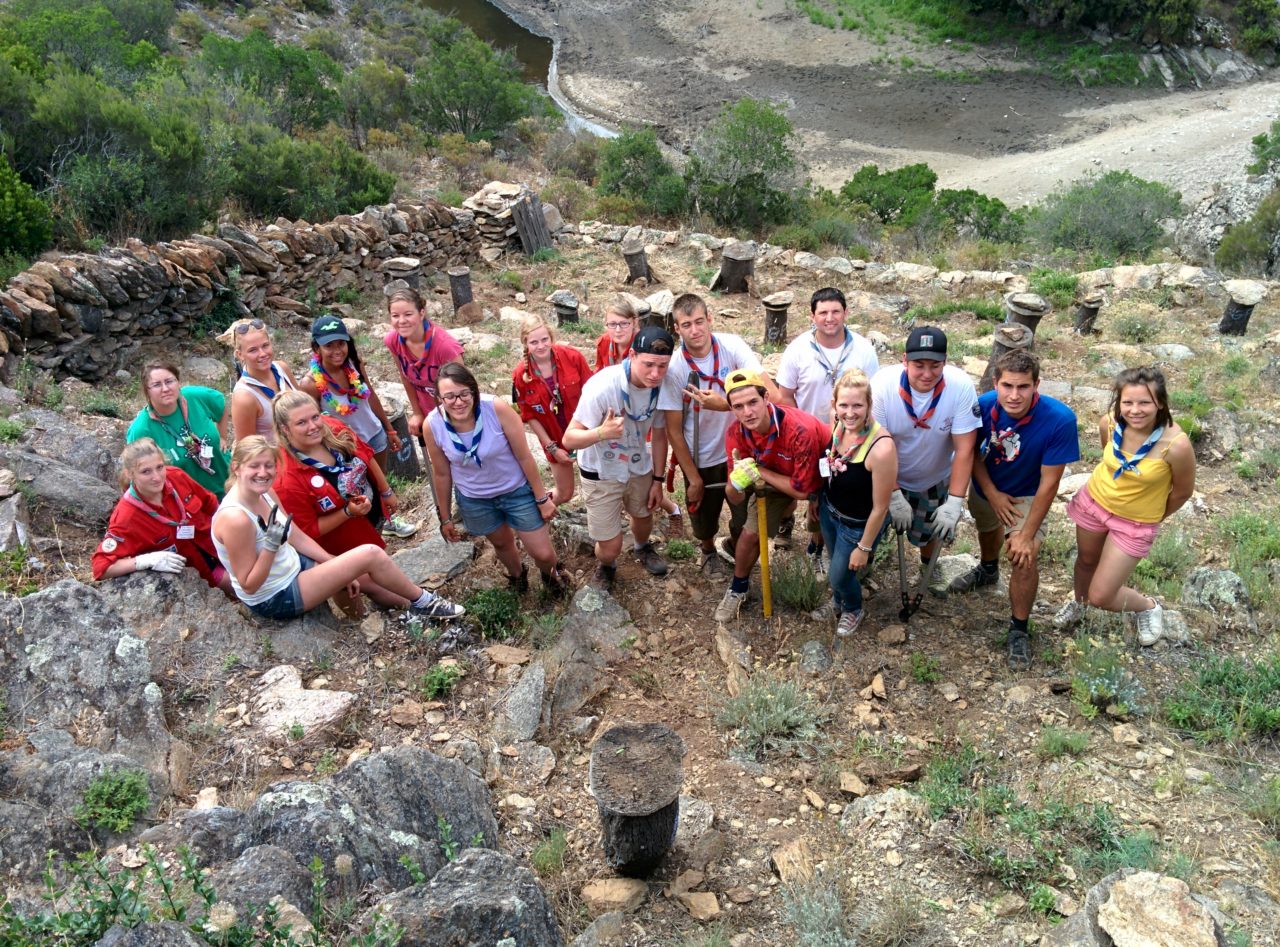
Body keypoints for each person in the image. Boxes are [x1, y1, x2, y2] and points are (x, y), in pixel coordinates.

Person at [212, 437, 464, 621]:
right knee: (370, 555)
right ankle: (424, 602)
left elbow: (296, 535)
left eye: (269, 466)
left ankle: (378, 618)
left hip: (291, 566)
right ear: (236, 467)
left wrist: (331, 562)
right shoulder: (236, 519)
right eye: (254, 466)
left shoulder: (266, 493)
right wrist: (269, 546)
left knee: (357, 578)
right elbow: (248, 585)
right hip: (275, 595)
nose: (263, 473)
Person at [947, 350, 1079, 668]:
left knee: (1023, 556)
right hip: (989, 482)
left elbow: (1050, 483)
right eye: (1007, 385)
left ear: (1037, 384)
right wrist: (991, 494)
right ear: (996, 382)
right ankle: (988, 568)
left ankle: (1019, 628)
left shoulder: (1060, 419)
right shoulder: (985, 404)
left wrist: (1026, 533)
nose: (1014, 395)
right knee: (987, 524)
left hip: (1028, 493)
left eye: (1023, 386)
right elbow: (971, 454)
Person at [1063, 366, 1195, 646]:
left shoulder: (1177, 445)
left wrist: (1152, 515)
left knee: (1102, 594)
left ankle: (1148, 607)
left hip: (1134, 523)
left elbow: (1182, 492)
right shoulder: (1110, 423)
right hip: (1094, 504)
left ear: (1160, 403)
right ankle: (1080, 606)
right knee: (1085, 561)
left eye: (1144, 402)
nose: (1135, 410)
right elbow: (1106, 457)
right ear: (1119, 402)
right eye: (1128, 402)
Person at [425, 363, 570, 597]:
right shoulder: (432, 425)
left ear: (474, 391)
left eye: (464, 394)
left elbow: (524, 456)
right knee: (502, 544)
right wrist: (445, 518)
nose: (458, 402)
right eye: (449, 397)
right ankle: (517, 576)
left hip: (515, 490)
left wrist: (542, 498)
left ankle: (551, 576)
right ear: (439, 398)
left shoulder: (496, 409)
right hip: (475, 499)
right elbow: (441, 474)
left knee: (542, 553)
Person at [658, 293, 769, 577]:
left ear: (709, 320)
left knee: (745, 513)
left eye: (699, 322)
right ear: (677, 328)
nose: (694, 331)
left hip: (739, 450)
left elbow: (760, 388)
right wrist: (692, 476)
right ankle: (708, 550)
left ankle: (733, 544)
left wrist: (722, 404)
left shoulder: (731, 346)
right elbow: (673, 429)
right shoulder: (674, 369)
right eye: (686, 325)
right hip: (702, 453)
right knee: (703, 514)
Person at [562, 325, 675, 589]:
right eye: (648, 364)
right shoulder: (603, 386)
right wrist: (602, 432)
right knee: (610, 547)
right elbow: (569, 439)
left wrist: (658, 479)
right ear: (632, 355)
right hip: (601, 471)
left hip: (639, 465)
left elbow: (660, 435)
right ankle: (607, 564)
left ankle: (642, 547)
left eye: (663, 366)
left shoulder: (662, 386)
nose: (656, 373)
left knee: (644, 515)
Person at [714, 370, 827, 623]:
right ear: (732, 409)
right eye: (739, 406)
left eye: (753, 402)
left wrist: (758, 470)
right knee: (750, 534)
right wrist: (734, 485)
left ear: (767, 398)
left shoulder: (800, 428)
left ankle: (816, 549)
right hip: (774, 476)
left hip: (818, 470)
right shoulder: (735, 433)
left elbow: (803, 489)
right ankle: (738, 588)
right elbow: (736, 498)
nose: (747, 412)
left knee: (819, 517)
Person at [776, 287, 880, 562]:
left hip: (848, 437)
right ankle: (785, 523)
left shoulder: (863, 350)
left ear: (846, 313)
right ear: (812, 316)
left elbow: (872, 394)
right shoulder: (797, 349)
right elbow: (785, 394)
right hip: (807, 435)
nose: (830, 318)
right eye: (823, 312)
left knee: (829, 492)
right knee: (797, 484)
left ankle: (818, 542)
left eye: (836, 311)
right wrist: (796, 429)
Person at [297, 313, 417, 539]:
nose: (337, 351)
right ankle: (368, 531)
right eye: (329, 345)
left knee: (381, 480)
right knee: (360, 490)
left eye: (341, 343)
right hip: (348, 449)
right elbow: (315, 423)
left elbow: (370, 396)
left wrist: (389, 429)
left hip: (374, 434)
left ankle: (388, 520)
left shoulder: (353, 365)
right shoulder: (311, 384)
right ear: (317, 348)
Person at [871, 326, 980, 572]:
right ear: (905, 360)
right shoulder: (881, 386)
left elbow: (965, 448)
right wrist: (894, 494)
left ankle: (926, 568)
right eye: (919, 365)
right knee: (872, 525)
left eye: (935, 365)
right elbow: (877, 445)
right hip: (884, 474)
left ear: (945, 362)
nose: (927, 373)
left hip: (933, 475)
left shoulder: (960, 386)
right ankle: (865, 565)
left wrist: (954, 501)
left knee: (928, 532)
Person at [93, 438, 234, 598]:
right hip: (202, 574)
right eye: (146, 471)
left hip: (224, 548)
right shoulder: (126, 517)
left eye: (160, 467)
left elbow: (210, 504)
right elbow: (101, 567)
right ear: (130, 474)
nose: (157, 477)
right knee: (252, 587)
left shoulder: (176, 476)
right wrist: (144, 561)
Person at [591, 295, 682, 530]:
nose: (618, 329)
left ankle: (669, 508)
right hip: (616, 416)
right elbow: (600, 371)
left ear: (635, 324)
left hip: (642, 418)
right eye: (613, 324)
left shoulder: (647, 346)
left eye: (623, 324)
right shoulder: (604, 343)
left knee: (642, 473)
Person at [819, 370, 897, 638]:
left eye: (857, 405)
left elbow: (881, 507)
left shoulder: (881, 448)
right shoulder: (837, 424)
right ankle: (839, 601)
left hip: (856, 525)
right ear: (834, 405)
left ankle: (853, 607)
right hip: (829, 511)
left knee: (838, 576)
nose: (849, 413)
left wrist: (863, 547)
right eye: (843, 405)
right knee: (835, 564)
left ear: (869, 406)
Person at [511, 313, 591, 507]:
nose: (540, 346)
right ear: (525, 343)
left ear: (551, 338)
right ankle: (532, 513)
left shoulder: (572, 357)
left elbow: (592, 395)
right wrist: (552, 448)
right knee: (564, 494)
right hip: (554, 439)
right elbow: (529, 416)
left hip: (585, 432)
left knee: (598, 486)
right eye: (534, 342)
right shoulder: (521, 375)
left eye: (545, 339)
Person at [127, 362, 231, 499]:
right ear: (147, 391)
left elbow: (221, 404)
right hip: (194, 504)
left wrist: (222, 436)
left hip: (231, 487)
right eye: (157, 385)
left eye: (169, 381)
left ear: (178, 382)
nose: (165, 389)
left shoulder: (194, 397)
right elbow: (135, 475)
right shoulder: (141, 430)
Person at [383, 287, 465, 440]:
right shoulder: (393, 340)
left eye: (408, 314)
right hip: (429, 414)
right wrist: (418, 413)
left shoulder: (445, 347)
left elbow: (465, 388)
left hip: (456, 413)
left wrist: (459, 422)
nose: (401, 321)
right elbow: (404, 376)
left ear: (421, 313)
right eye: (395, 315)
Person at [230, 319, 299, 446]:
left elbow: (305, 405)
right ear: (240, 354)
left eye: (265, 345)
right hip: (278, 461)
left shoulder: (282, 368)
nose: (262, 354)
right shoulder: (244, 397)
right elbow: (248, 449)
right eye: (253, 350)